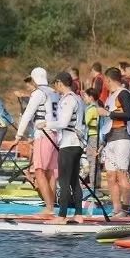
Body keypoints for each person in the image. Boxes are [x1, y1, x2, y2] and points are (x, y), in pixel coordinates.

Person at [18, 67, 58, 215]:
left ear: (34, 79)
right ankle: (52, 206)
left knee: (40, 171)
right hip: (55, 135)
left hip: (43, 135)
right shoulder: (54, 92)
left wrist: (18, 135)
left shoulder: (38, 93)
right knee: (50, 173)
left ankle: (49, 208)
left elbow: (27, 115)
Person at [97, 66, 130, 216]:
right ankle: (116, 209)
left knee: (121, 175)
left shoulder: (124, 94)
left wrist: (107, 113)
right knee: (111, 177)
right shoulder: (110, 96)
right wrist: (103, 143)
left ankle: (126, 210)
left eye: (105, 81)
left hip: (123, 138)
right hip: (110, 140)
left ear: (108, 79)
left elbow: (128, 115)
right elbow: (108, 124)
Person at [46, 71, 86, 218]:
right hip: (77, 144)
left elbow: (63, 123)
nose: (55, 87)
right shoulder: (78, 98)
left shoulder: (68, 99)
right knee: (74, 180)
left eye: (55, 84)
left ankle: (62, 216)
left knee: (63, 181)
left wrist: (46, 124)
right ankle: (78, 215)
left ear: (60, 83)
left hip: (69, 144)